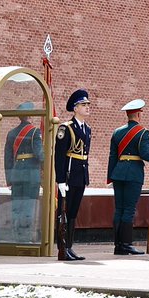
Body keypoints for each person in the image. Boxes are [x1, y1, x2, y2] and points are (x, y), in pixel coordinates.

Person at [107, 99, 149, 256]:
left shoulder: (117, 132)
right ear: (139, 114)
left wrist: (110, 177)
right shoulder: (143, 132)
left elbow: (112, 156)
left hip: (118, 173)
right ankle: (127, 244)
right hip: (133, 173)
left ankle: (118, 245)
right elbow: (145, 155)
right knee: (129, 209)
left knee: (119, 209)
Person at [54, 89, 92, 261]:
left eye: (87, 105)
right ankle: (62, 248)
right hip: (69, 176)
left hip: (80, 175)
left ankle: (69, 247)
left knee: (73, 212)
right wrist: (60, 180)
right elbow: (60, 155)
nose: (87, 107)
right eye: (83, 105)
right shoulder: (66, 128)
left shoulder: (87, 129)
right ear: (75, 108)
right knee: (64, 212)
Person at [3, 104, 43, 242]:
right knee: (28, 206)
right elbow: (40, 155)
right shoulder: (35, 132)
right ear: (30, 115)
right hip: (31, 174)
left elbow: (7, 158)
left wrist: (9, 179)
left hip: (16, 173)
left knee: (17, 206)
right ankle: (26, 238)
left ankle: (16, 237)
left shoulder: (11, 133)